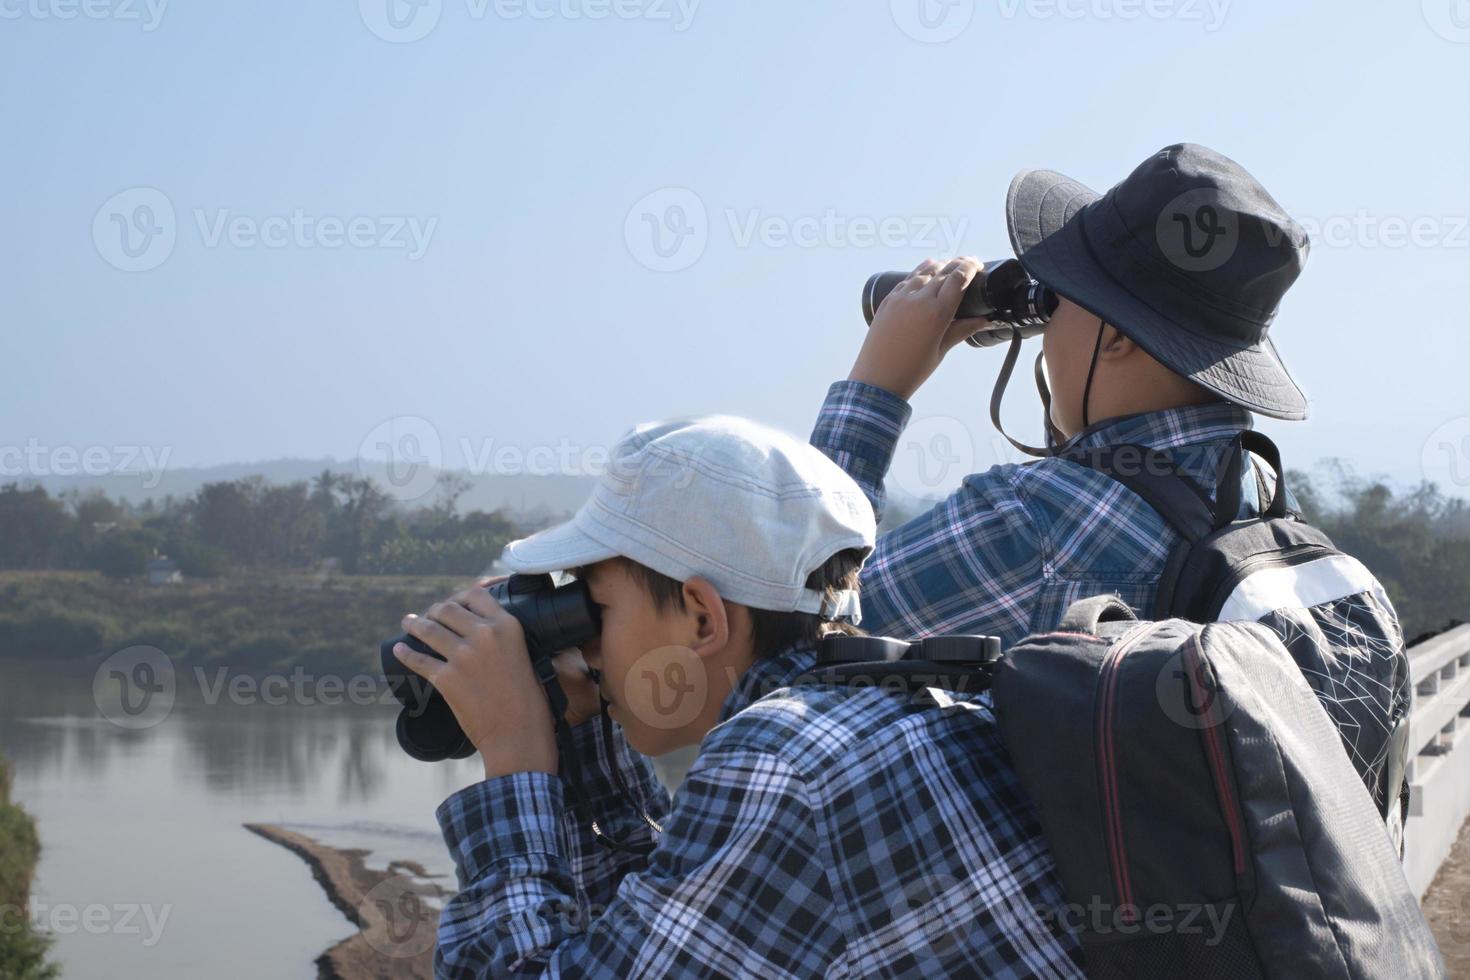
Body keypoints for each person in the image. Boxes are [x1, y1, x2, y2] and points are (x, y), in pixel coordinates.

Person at [394, 415, 1086, 978]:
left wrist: (516, 758)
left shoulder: (785, 765)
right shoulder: (872, 714)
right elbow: (647, 935)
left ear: (702, 617)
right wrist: (577, 734)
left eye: (594, 608)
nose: (589, 646)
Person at [812, 143, 1328, 646]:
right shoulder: (1256, 485)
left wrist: (874, 388)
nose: (1047, 323)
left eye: (1062, 294)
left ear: (1119, 335)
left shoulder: (1027, 527)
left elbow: (788, 633)